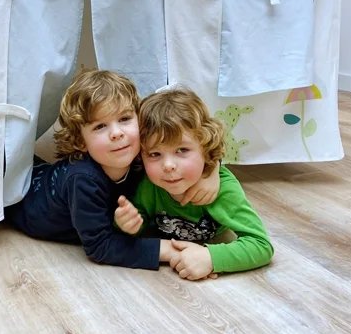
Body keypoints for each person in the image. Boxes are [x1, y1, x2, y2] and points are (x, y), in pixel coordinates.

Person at [4, 69, 219, 270]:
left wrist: (211, 171)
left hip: (42, 171)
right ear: (80, 141)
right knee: (2, 164)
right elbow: (100, 246)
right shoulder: (83, 180)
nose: (117, 133)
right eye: (100, 126)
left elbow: (195, 142)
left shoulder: (140, 154)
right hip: (24, 203)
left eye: (124, 119)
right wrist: (170, 251)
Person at [114, 87, 273, 280]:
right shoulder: (147, 186)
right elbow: (138, 226)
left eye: (181, 150)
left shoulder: (223, 190)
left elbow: (261, 245)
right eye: (155, 154)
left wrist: (211, 258)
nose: (168, 165)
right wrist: (127, 225)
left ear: (205, 148)